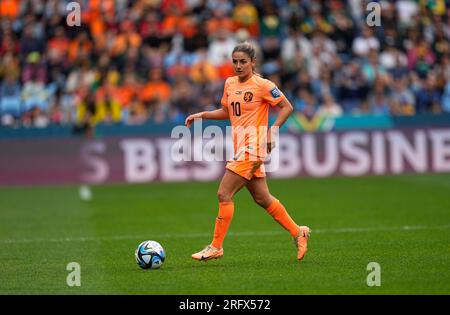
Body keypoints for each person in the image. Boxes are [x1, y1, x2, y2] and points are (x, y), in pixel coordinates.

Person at [185, 42, 311, 262]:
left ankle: (216, 247)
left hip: (254, 147)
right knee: (262, 198)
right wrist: (202, 115)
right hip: (241, 147)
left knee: (224, 193)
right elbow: (227, 112)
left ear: (253, 62)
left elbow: (287, 107)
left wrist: (273, 131)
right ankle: (298, 232)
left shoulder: (263, 85)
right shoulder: (229, 83)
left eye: (243, 62)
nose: (238, 66)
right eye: (235, 62)